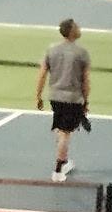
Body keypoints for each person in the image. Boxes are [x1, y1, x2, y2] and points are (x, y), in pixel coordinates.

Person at [34, 19, 91, 182]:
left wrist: (38, 96)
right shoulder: (82, 53)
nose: (79, 28)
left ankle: (64, 161)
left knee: (61, 130)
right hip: (72, 99)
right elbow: (86, 81)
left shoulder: (51, 50)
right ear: (71, 31)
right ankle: (58, 170)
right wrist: (86, 101)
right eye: (77, 27)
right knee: (65, 133)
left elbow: (42, 74)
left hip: (55, 98)